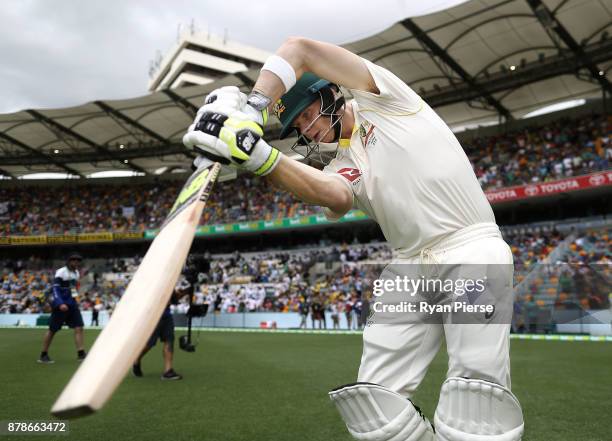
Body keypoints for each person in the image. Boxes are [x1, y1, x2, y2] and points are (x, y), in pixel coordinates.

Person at [183, 37, 524, 441]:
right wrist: (255, 155)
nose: (307, 127)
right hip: (408, 268)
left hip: (470, 246)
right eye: (297, 125)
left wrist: (255, 108)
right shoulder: (341, 164)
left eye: (308, 113)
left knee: (476, 402)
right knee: (375, 411)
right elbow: (336, 197)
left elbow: (299, 49)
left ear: (327, 94)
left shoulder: (384, 98)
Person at [38, 254, 87, 363]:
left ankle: (81, 353)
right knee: (52, 330)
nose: (76, 263)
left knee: (79, 327)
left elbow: (73, 289)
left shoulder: (76, 273)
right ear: (69, 261)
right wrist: (60, 303)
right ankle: (43, 355)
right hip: (61, 306)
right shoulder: (61, 272)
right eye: (73, 260)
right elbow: (55, 289)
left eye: (78, 261)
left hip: (72, 305)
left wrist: (75, 299)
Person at [132, 287, 183, 381]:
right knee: (149, 344)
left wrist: (181, 293)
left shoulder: (170, 284)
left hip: (167, 316)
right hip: (153, 316)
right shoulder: (155, 282)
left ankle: (168, 371)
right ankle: (136, 359)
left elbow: (174, 300)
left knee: (169, 340)